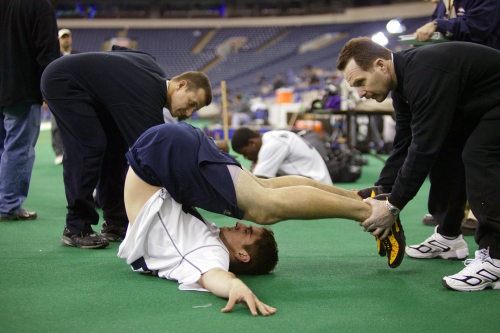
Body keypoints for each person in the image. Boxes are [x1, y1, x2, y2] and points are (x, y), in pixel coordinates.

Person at [123, 122, 406, 269]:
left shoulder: (157, 256)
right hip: (160, 152)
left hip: (160, 158)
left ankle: (372, 211)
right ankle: (359, 198)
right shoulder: (151, 251)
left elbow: (210, 275)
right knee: (264, 190)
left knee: (263, 208)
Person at [337, 37, 500, 291]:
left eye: (361, 82)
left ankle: (497, 258)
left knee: (479, 155)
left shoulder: (424, 75)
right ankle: (449, 236)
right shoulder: (402, 86)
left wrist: (392, 206)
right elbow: (405, 143)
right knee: (447, 153)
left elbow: (423, 148)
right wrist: (381, 190)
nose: (360, 93)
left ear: (381, 65)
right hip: (486, 104)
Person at [41, 48, 212, 249]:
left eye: (195, 109)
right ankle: (76, 227)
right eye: (191, 103)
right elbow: (156, 162)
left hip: (95, 92)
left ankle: (115, 223)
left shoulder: (153, 74)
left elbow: (126, 51)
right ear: (180, 85)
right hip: (63, 82)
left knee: (115, 151)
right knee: (89, 147)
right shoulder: (146, 98)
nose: (189, 112)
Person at [415, 0, 500, 232]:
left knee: (481, 154)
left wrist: (438, 24)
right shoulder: (442, 5)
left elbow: (480, 27)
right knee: (451, 150)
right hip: (460, 84)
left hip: (488, 84)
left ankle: (479, 210)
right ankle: (451, 211)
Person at [0, 0, 60, 221]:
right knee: (19, 147)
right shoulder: (39, 5)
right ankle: (8, 205)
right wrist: (49, 89)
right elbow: (47, 51)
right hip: (21, 88)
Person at [231, 127, 333, 186]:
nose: (246, 157)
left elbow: (258, 182)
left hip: (317, 187)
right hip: (318, 182)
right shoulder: (272, 137)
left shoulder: (272, 145)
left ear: (252, 143)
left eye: (245, 152)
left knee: (263, 191)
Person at [51, 28, 79, 165]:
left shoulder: (78, 55)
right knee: (56, 125)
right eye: (63, 37)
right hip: (57, 95)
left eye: (68, 37)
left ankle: (75, 151)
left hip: (75, 96)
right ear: (59, 40)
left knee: (76, 125)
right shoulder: (53, 56)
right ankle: (59, 152)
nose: (66, 39)